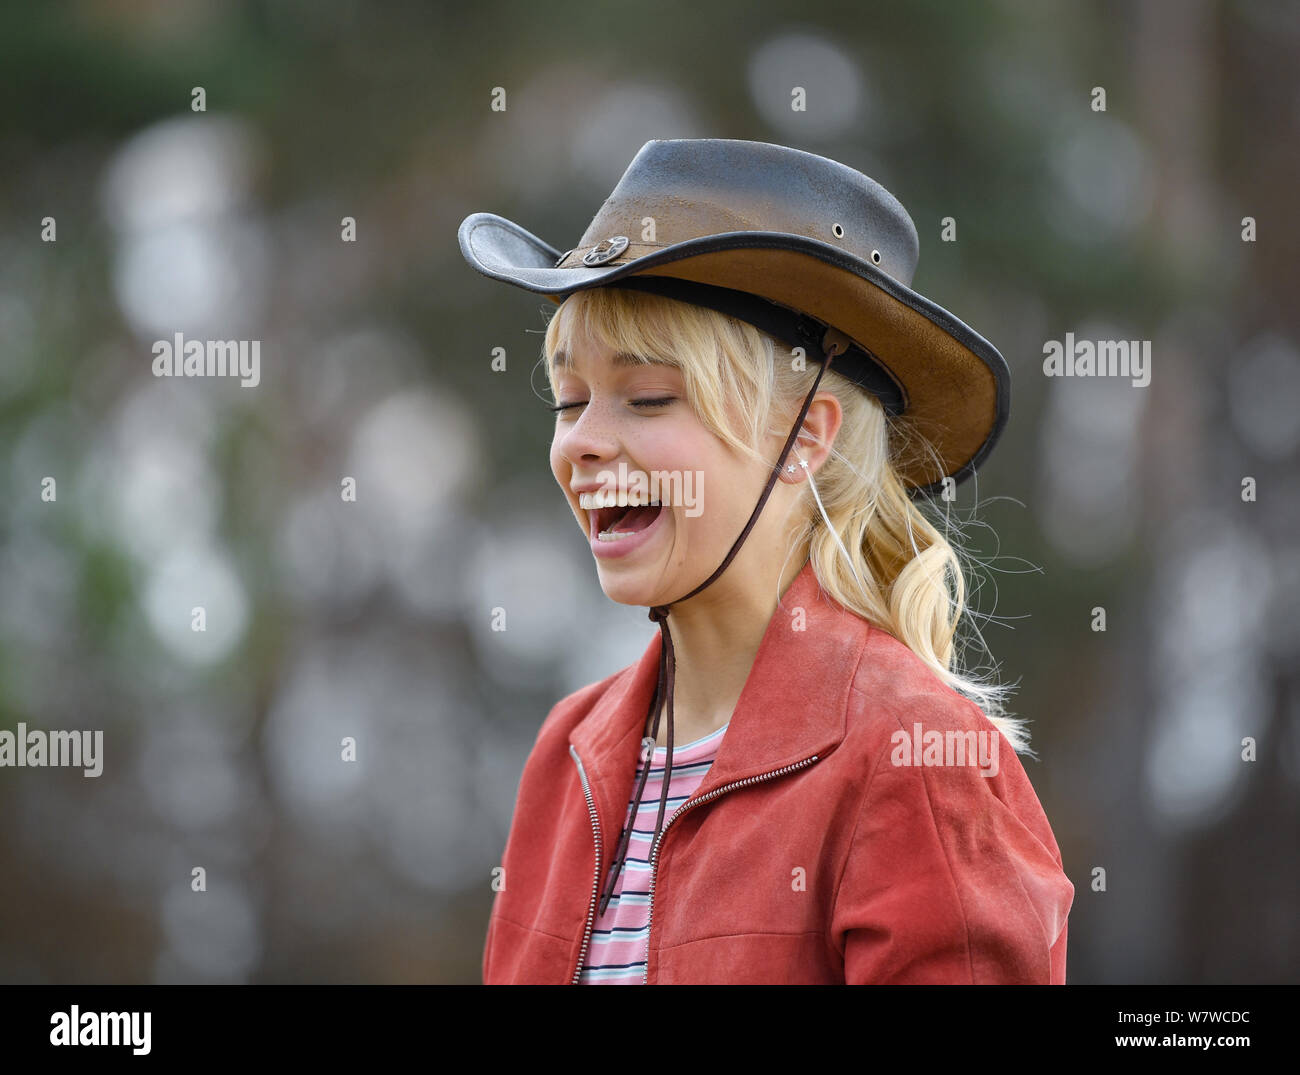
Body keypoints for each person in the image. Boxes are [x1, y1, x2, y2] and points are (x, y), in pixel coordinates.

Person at [458, 138, 1074, 984]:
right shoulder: (568, 752)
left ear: (805, 437)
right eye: (571, 401)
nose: (583, 444)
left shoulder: (917, 758)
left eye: (648, 398)